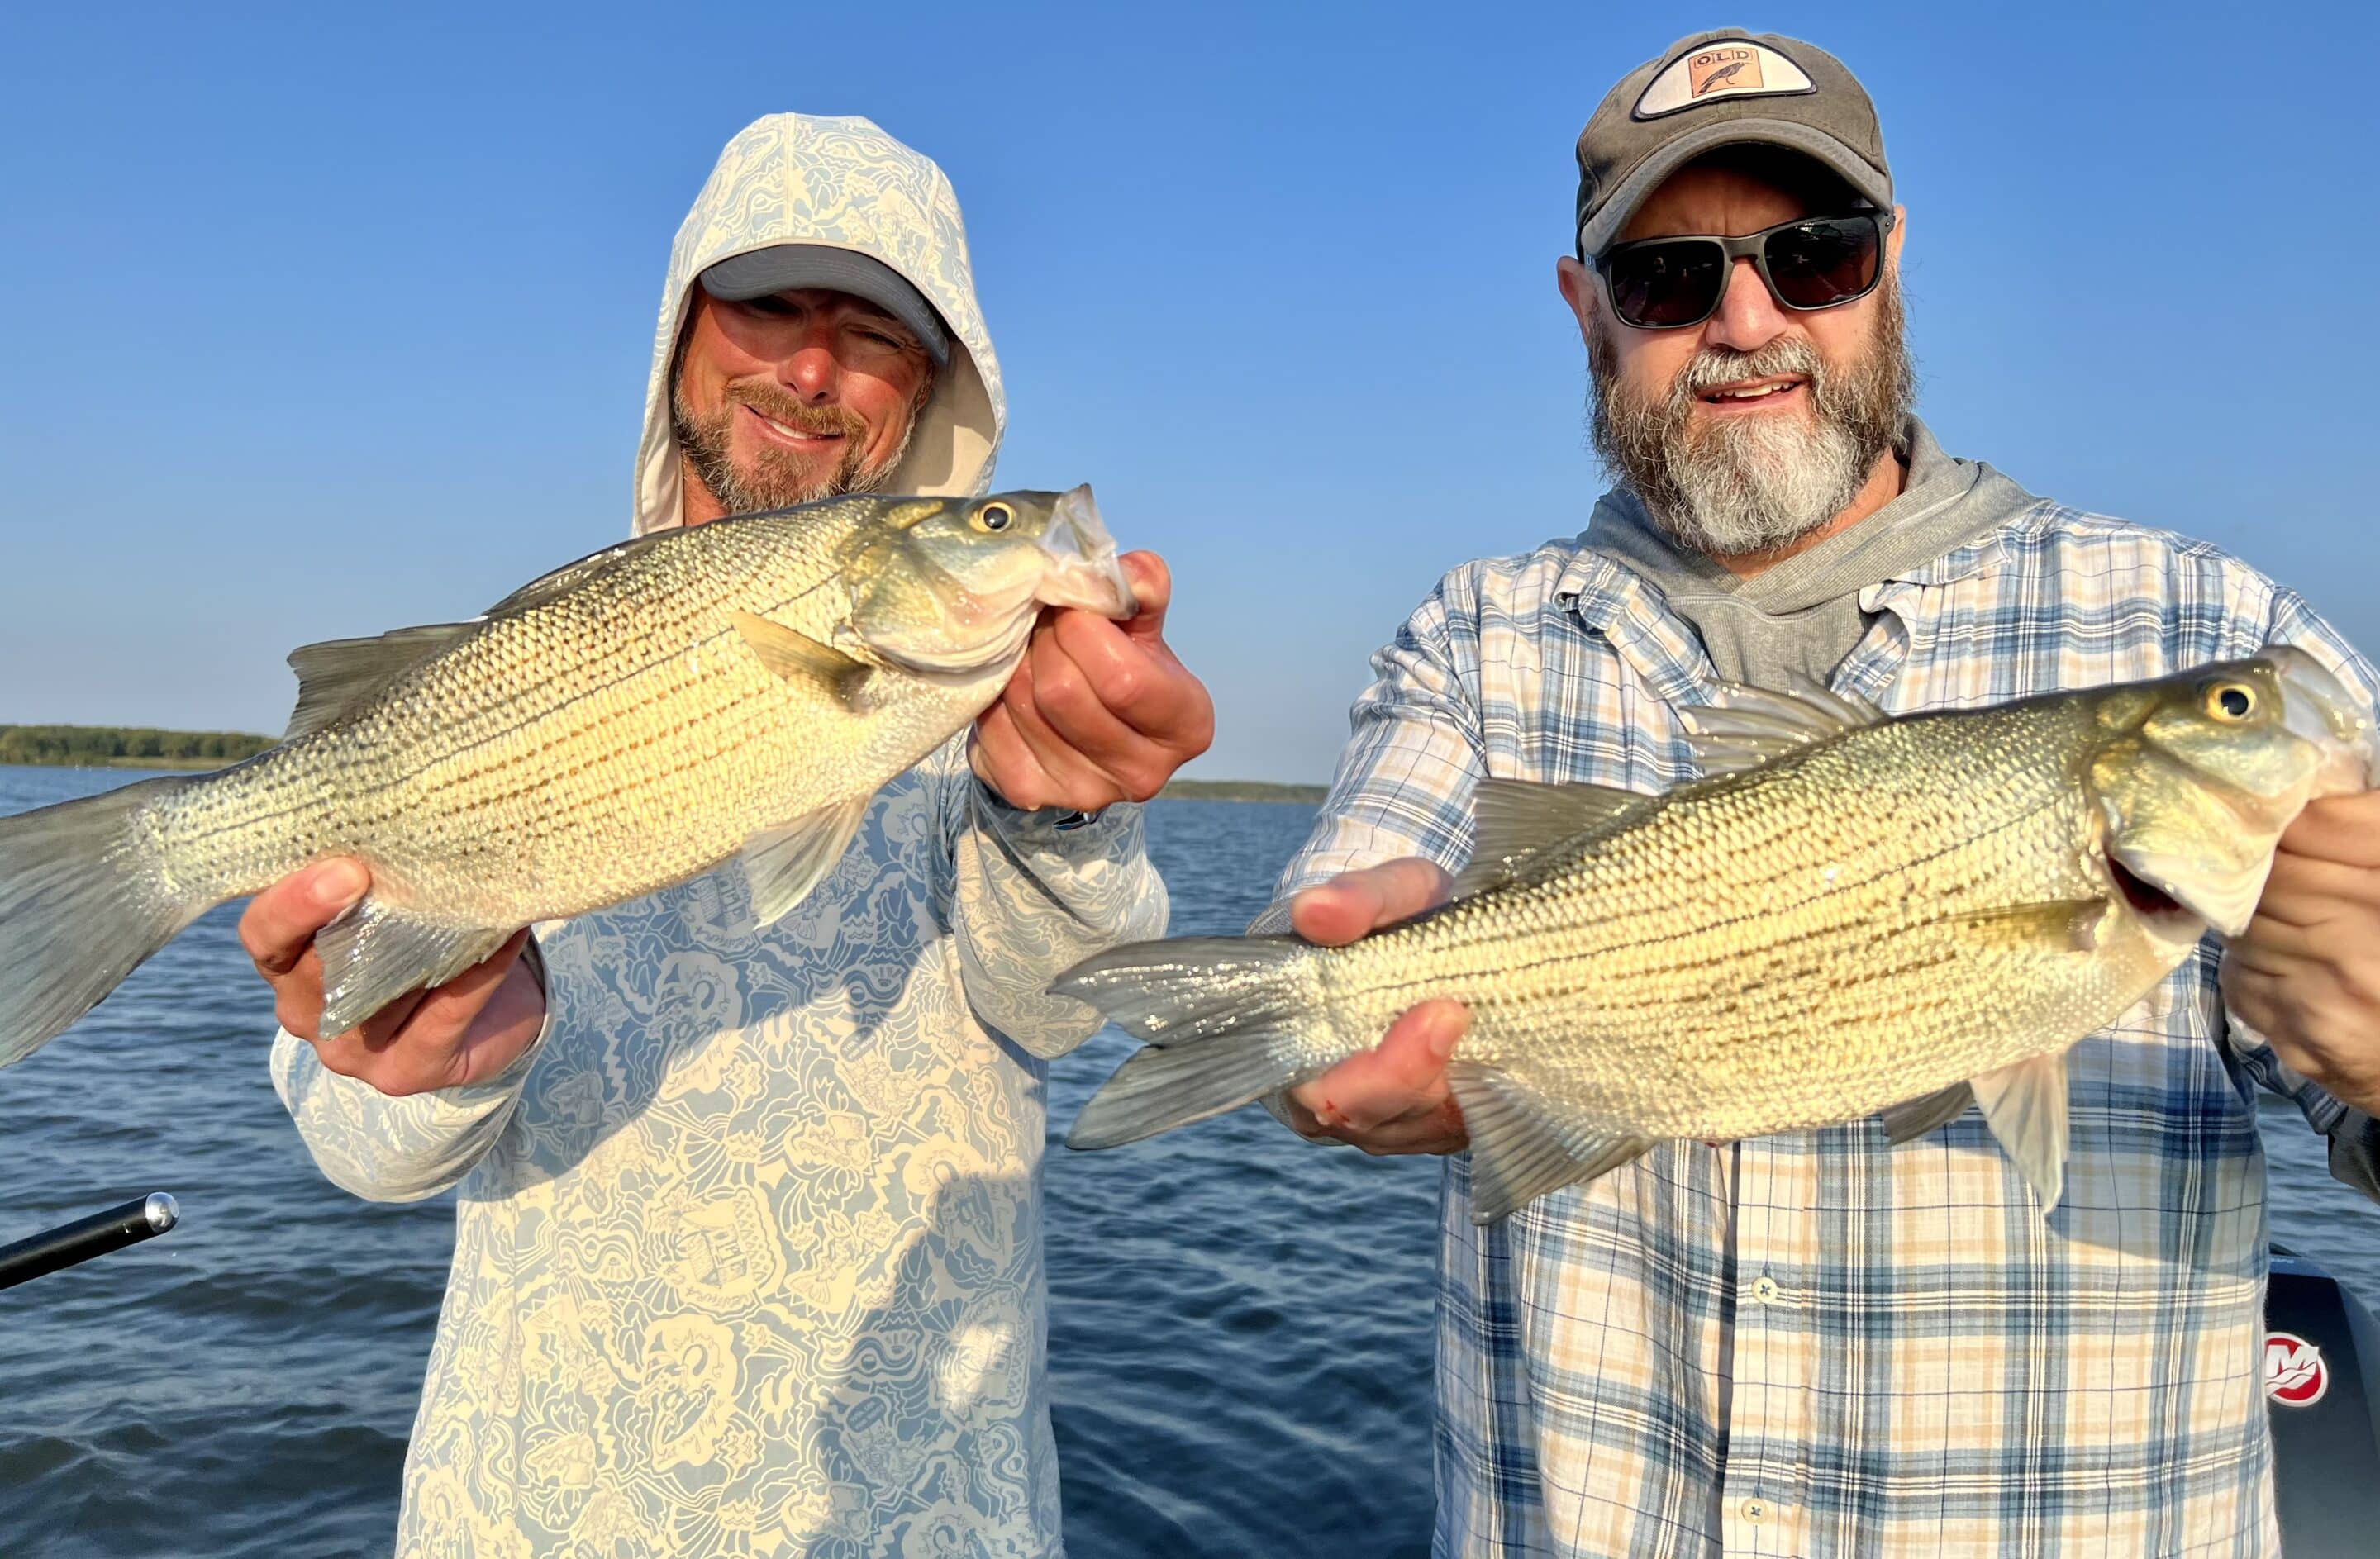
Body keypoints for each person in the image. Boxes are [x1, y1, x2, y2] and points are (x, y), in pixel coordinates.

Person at [1264, 31, 2380, 1556]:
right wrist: (1310, 1005)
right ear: (1588, 313)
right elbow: (1329, 960)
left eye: (1816, 256)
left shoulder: (2200, 632)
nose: (1747, 319)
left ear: (1891, 265)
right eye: (1668, 276)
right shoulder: (1477, 636)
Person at [241, 113, 1212, 1557]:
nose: (810, 369)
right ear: (683, 330)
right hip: (531, 1511)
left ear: (934, 389)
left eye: (874, 332)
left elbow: (1066, 1008)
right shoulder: (517, 668)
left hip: (917, 1518)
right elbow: (362, 1154)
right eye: (768, 304)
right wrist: (427, 1066)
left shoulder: (1006, 687)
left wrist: (1060, 820)